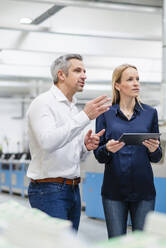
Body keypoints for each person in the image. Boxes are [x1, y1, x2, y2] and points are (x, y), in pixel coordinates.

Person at [26, 54, 110, 230]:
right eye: (78, 70)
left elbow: (70, 153)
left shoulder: (73, 108)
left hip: (72, 189)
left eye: (85, 71)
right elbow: (48, 142)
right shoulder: (43, 103)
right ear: (61, 75)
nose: (84, 75)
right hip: (48, 190)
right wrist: (85, 116)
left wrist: (85, 146)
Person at [94, 64, 162, 238]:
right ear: (117, 85)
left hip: (144, 190)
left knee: (143, 242)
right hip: (114, 191)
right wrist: (107, 149)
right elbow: (99, 155)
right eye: (130, 79)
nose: (136, 83)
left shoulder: (150, 113)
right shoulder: (105, 114)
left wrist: (154, 149)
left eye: (137, 79)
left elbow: (156, 156)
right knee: (117, 242)